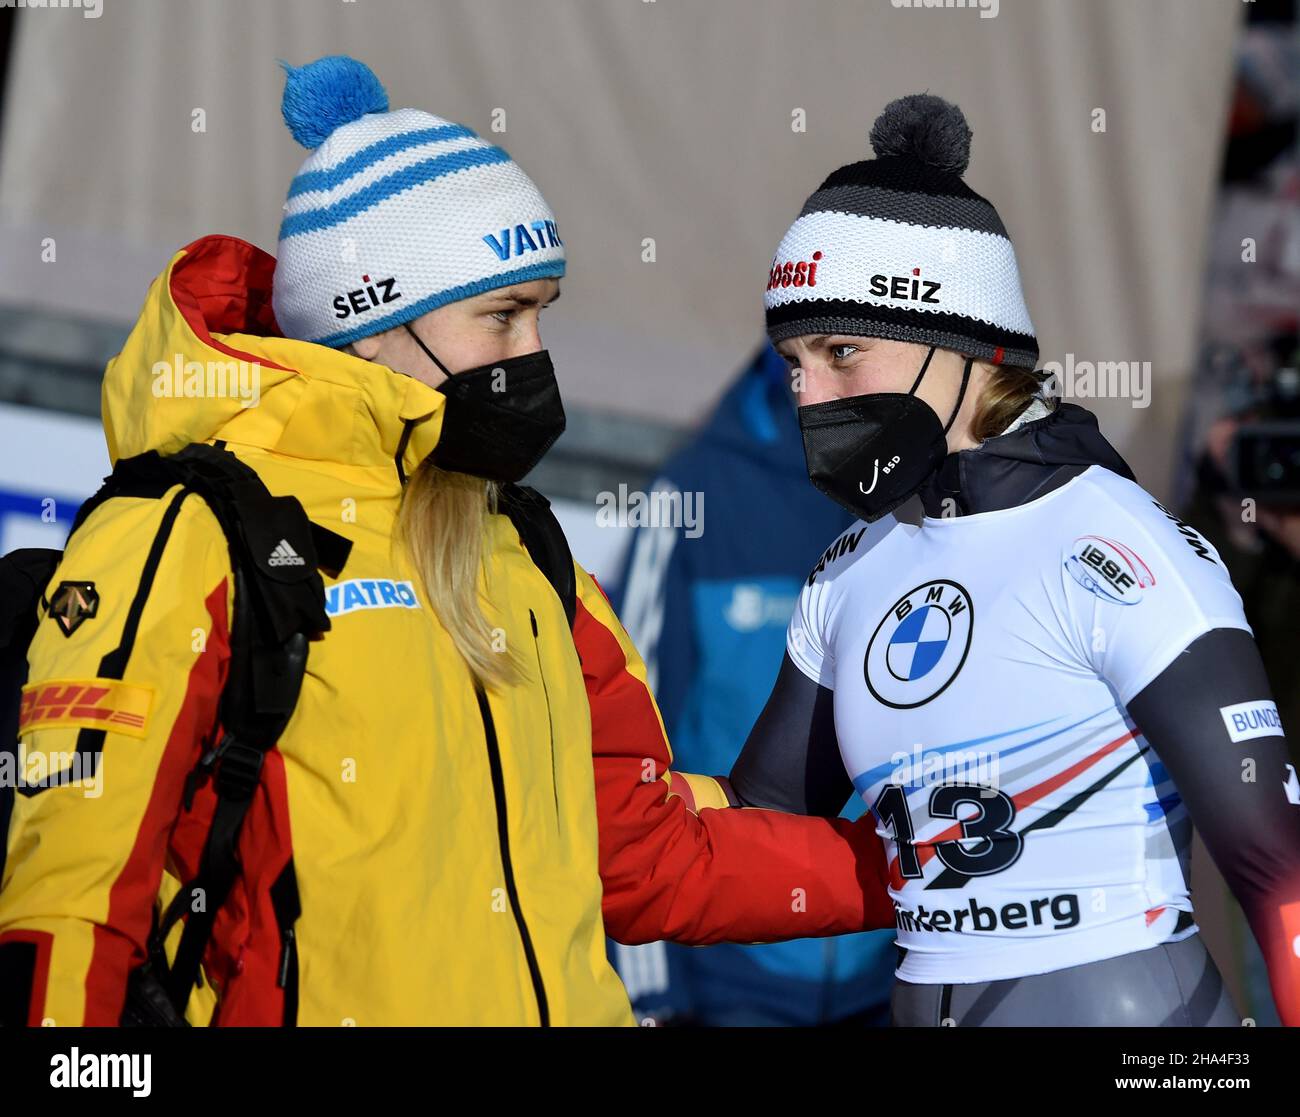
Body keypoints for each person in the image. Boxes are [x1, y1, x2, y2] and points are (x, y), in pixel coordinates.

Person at [0, 56, 896, 1027]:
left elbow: (647, 854)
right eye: (501, 316)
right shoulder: (196, 532)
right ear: (373, 321)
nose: (533, 358)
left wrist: (913, 866)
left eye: (541, 315)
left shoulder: (525, 554)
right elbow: (73, 903)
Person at [729, 93, 1300, 1027]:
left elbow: (1280, 872)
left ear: (962, 344)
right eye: (793, 362)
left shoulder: (1117, 544)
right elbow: (752, 830)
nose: (808, 395)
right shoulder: (847, 568)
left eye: (841, 351)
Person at [613, 342, 896, 1025]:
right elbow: (624, 750)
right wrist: (651, 990)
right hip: (730, 974)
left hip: (891, 971)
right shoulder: (695, 494)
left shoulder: (924, 497)